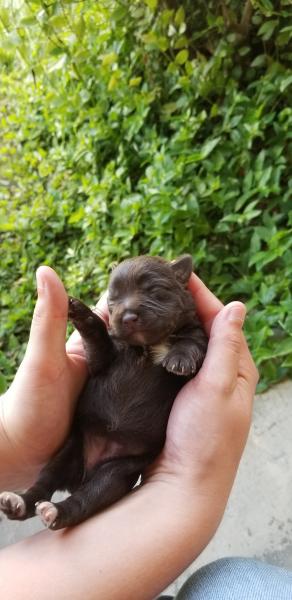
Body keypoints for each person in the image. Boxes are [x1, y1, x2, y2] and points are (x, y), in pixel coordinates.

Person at [0, 266, 290, 600]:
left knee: (110, 483)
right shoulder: (117, 341)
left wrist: (186, 355)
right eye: (116, 299)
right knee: (53, 472)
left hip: (127, 457)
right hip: (87, 435)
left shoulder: (188, 338)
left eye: (156, 293)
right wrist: (87, 322)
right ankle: (29, 500)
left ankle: (65, 513)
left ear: (182, 289)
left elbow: (194, 350)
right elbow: (100, 357)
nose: (129, 310)